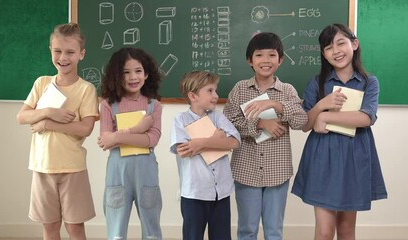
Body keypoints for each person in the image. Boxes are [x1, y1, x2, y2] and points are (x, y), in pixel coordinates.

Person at [291, 23, 388, 240]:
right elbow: (305, 124)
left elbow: (366, 118)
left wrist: (325, 116)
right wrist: (321, 105)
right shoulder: (317, 83)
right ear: (323, 54)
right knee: (325, 232)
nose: (336, 51)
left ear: (354, 44)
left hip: (354, 157)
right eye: (328, 47)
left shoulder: (369, 82)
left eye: (341, 43)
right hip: (322, 157)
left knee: (346, 231)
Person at [16, 23, 98, 240]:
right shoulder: (42, 83)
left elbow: (85, 128)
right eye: (58, 51)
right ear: (50, 50)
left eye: (70, 52)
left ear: (81, 54)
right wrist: (49, 111)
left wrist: (49, 124)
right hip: (42, 167)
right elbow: (22, 116)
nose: (63, 57)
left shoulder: (86, 89)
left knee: (74, 228)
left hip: (72, 169)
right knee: (50, 228)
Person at [223, 32, 307, 239]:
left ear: (281, 60)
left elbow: (301, 121)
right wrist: (260, 123)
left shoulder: (287, 90)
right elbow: (228, 125)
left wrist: (275, 105)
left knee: (273, 231)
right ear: (249, 60)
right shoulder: (240, 89)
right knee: (247, 229)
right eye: (259, 55)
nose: (266, 60)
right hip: (246, 170)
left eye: (272, 55)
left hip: (277, 172)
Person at [97, 47, 163, 240]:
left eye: (138, 71)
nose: (133, 77)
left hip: (146, 172)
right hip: (118, 173)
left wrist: (117, 136)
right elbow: (105, 142)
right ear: (117, 76)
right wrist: (138, 128)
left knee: (151, 229)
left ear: (147, 74)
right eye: (126, 72)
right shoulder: (108, 105)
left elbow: (152, 140)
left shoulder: (154, 105)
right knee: (116, 230)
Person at [170, 71, 241, 240]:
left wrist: (200, 143)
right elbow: (184, 150)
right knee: (193, 236)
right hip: (194, 193)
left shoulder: (218, 117)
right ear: (193, 96)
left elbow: (235, 142)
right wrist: (216, 140)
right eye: (210, 91)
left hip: (220, 192)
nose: (216, 95)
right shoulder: (181, 120)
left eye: (215, 90)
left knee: (222, 236)